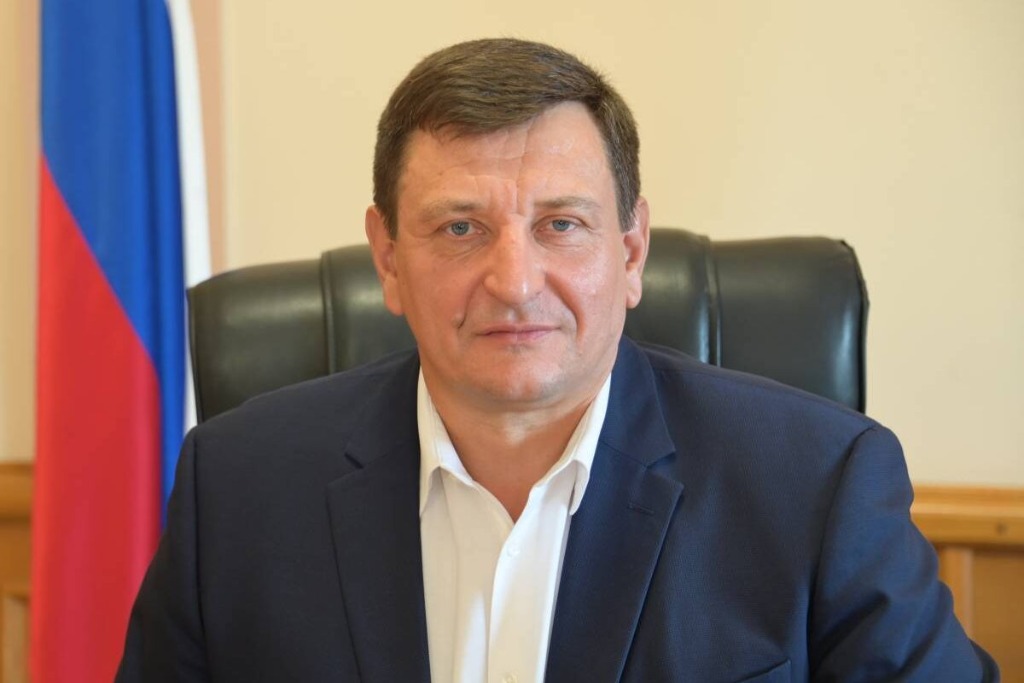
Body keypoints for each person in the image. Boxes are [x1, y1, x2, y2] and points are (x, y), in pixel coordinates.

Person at [117, 38, 998, 682]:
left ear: (631, 251)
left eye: (561, 224)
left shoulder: (816, 486)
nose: (513, 281)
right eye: (459, 228)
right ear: (387, 258)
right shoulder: (236, 489)